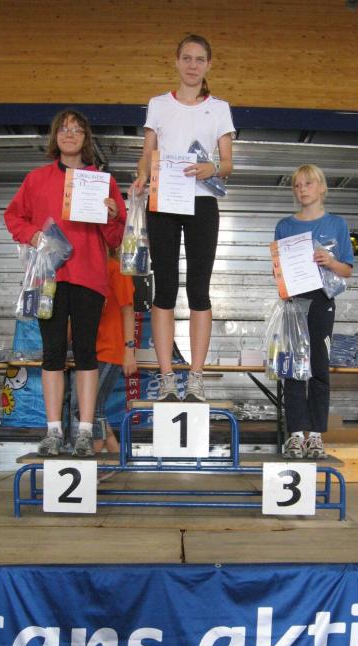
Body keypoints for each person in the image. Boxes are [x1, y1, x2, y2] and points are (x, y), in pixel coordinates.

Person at [5, 108, 126, 457]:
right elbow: (13, 216)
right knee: (53, 352)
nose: (69, 134)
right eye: (63, 129)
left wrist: (113, 215)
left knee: (87, 352)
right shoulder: (36, 179)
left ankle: (85, 431)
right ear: (55, 137)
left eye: (76, 129)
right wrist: (34, 235)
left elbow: (116, 238)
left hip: (89, 277)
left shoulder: (102, 182)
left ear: (86, 138)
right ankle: (54, 431)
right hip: (49, 278)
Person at [131, 34, 235, 402]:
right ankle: (166, 378)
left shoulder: (219, 108)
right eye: (187, 58)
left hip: (202, 203)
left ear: (208, 65)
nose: (192, 65)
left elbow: (228, 163)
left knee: (199, 289)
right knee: (164, 288)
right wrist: (141, 176)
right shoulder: (158, 104)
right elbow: (147, 154)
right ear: (176, 62)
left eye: (199, 59)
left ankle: (195, 377)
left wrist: (212, 168)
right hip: (163, 202)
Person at [274, 164, 353, 459]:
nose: (302, 189)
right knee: (294, 368)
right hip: (294, 302)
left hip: (322, 301)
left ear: (321, 187)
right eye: (297, 185)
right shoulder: (285, 226)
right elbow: (278, 270)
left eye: (308, 183)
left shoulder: (337, 224)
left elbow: (347, 270)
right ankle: (296, 434)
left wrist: (330, 262)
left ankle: (316, 435)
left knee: (319, 367)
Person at [71, 255, 137, 455]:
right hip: (89, 350)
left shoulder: (116, 269)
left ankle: (97, 455)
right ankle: (117, 458)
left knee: (89, 407)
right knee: (88, 408)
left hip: (110, 349)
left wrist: (129, 350)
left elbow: (128, 310)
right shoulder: (83, 268)